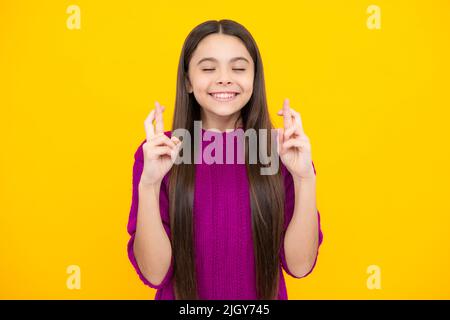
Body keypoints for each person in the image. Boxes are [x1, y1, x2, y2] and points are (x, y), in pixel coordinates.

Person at [126, 19, 323, 300]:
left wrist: (304, 178)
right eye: (208, 68)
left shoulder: (283, 150)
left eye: (239, 68)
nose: (224, 78)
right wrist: (149, 184)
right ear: (187, 81)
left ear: (254, 79)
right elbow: (154, 273)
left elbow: (300, 265)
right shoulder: (160, 151)